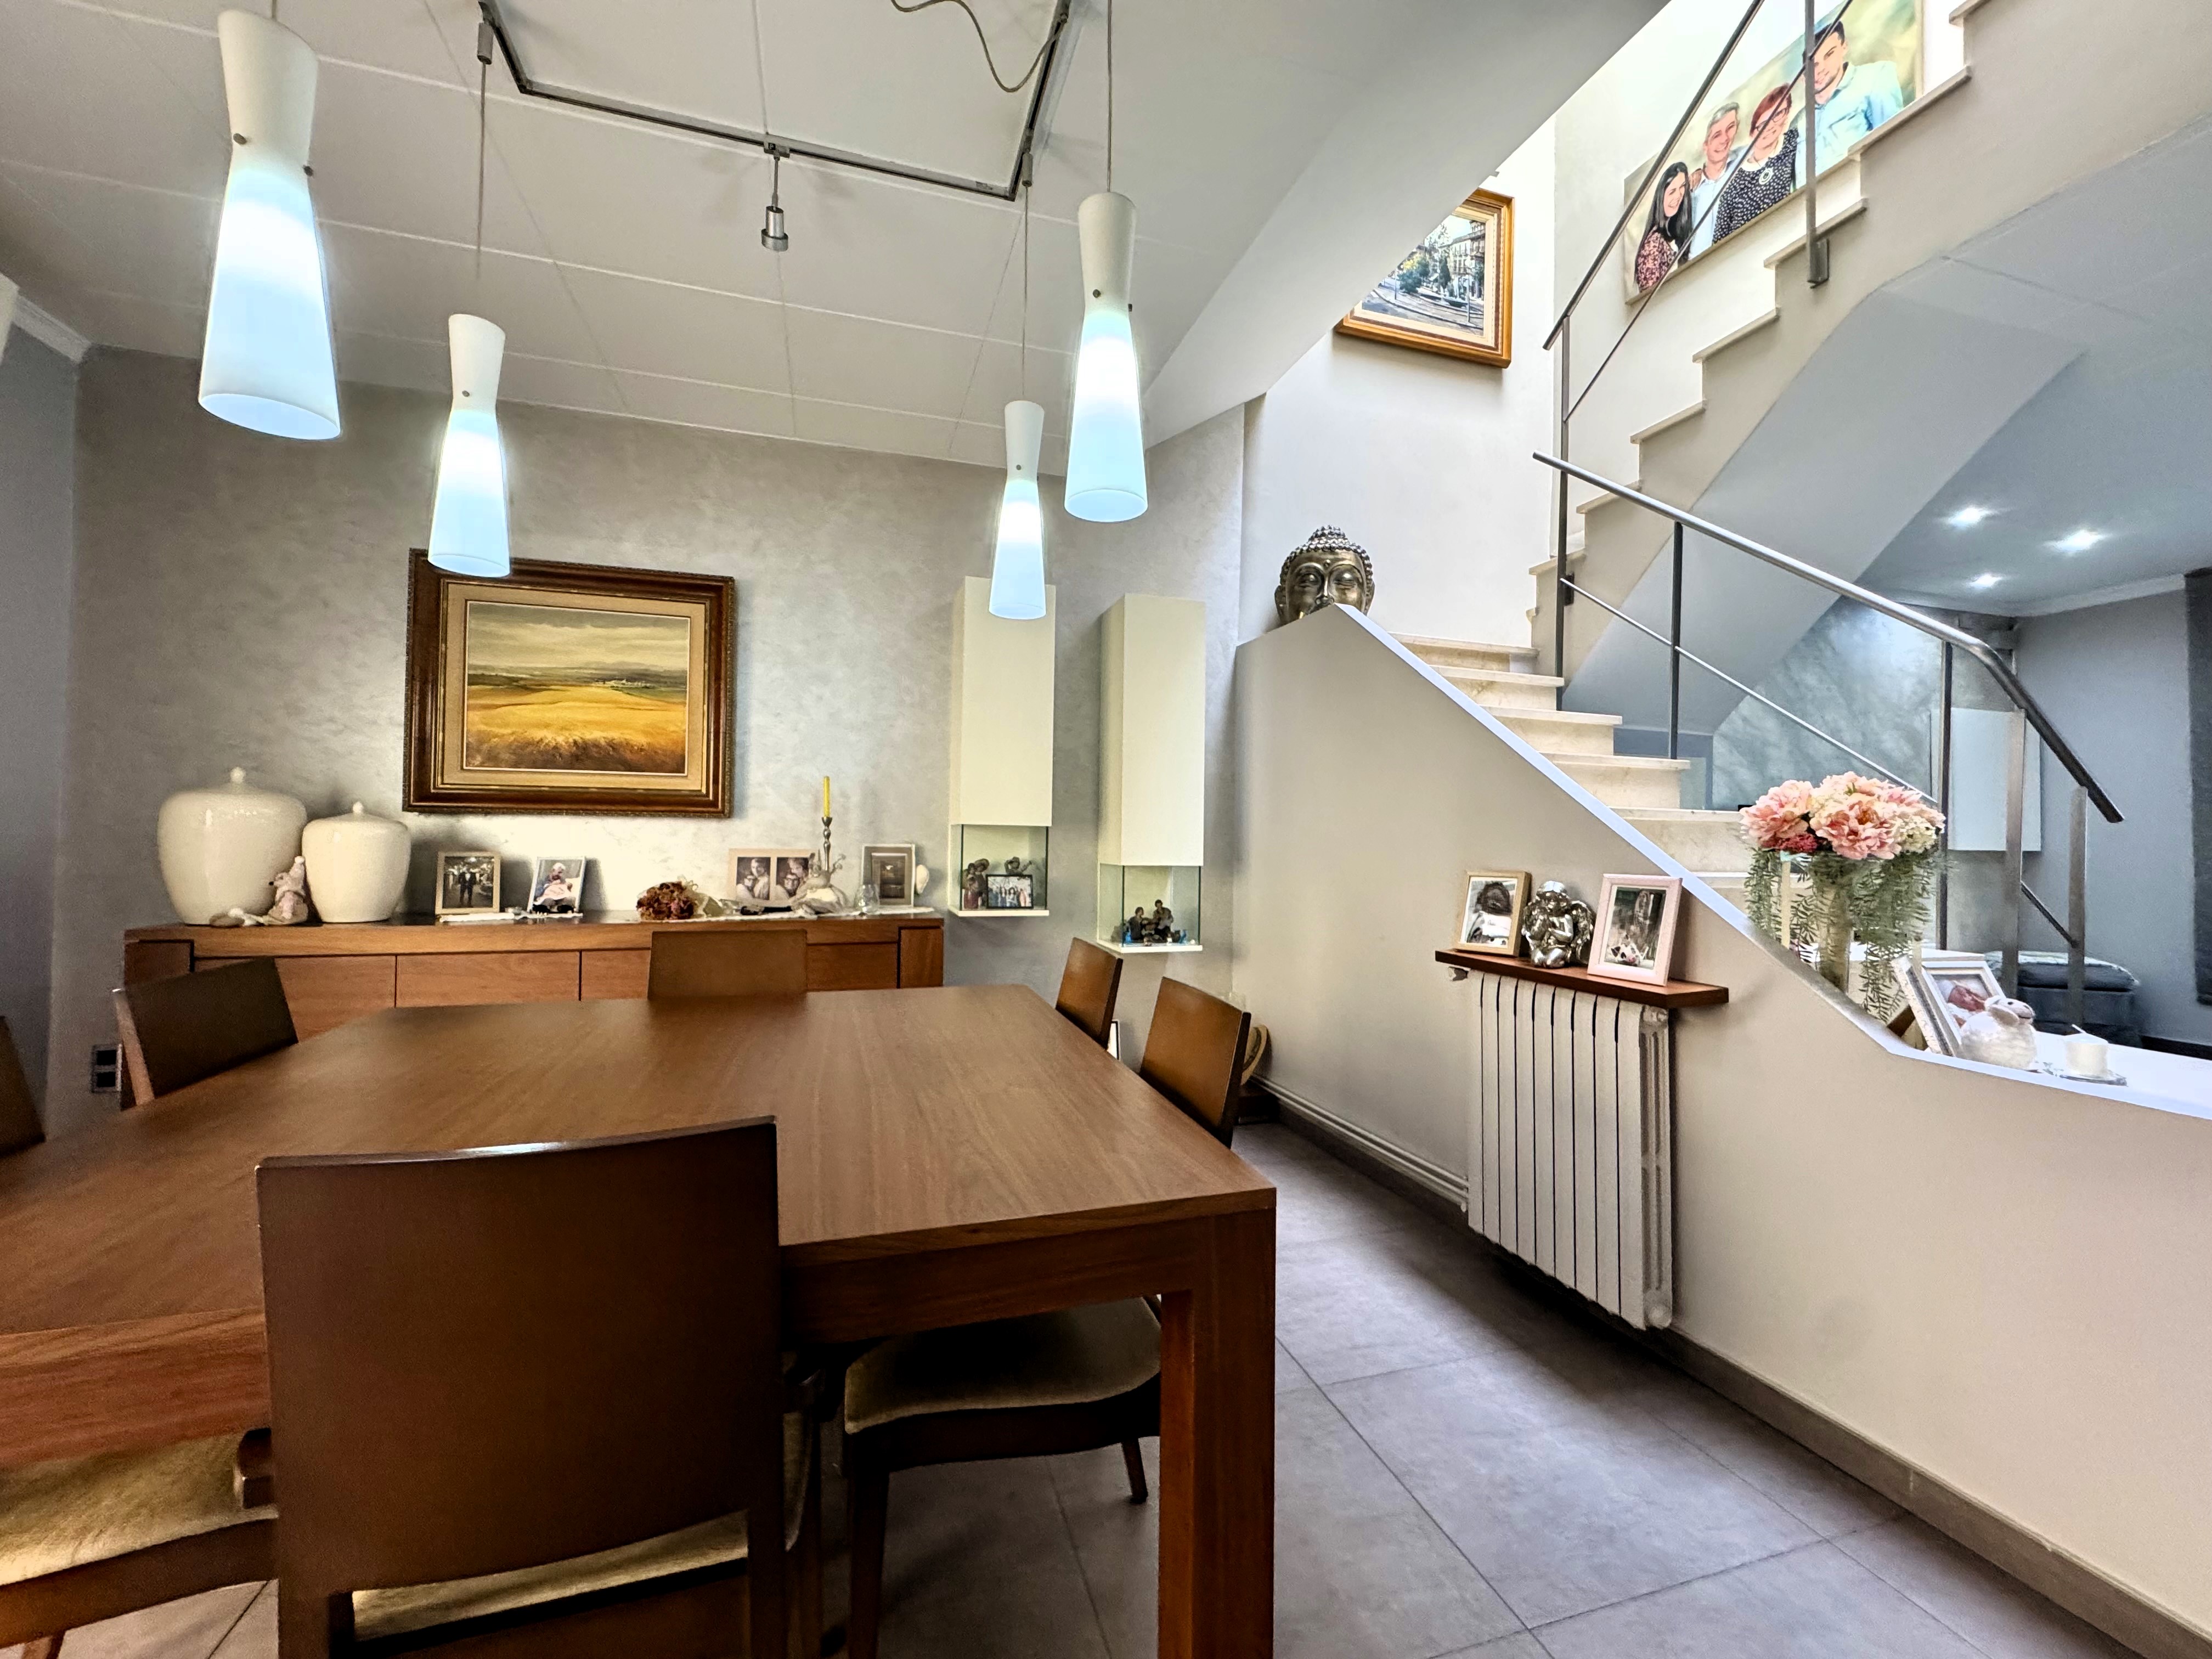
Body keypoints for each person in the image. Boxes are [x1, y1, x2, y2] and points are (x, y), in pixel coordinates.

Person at [1809, 19, 1903, 164]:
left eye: (1829, 55)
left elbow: (1893, 143)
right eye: (1814, 64)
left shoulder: (1875, 76)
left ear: (1844, 46)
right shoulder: (1801, 119)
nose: (1820, 69)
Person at [1714, 84, 1800, 241]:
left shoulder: (1795, 140)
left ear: (1787, 114)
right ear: (1752, 133)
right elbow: (1719, 245)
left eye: (1778, 114)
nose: (1771, 126)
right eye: (1762, 125)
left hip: (1795, 231)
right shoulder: (1732, 190)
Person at [1686, 102, 1742, 257]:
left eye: (1730, 128)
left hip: (1736, 253)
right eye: (1717, 135)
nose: (1725, 139)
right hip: (1699, 265)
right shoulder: (1692, 190)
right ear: (1705, 146)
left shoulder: (1745, 158)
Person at [1633, 161, 1692, 292]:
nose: (1678, 197)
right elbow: (1650, 294)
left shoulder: (1672, 235)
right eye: (1672, 191)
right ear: (1662, 195)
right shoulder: (1653, 244)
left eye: (1682, 188)